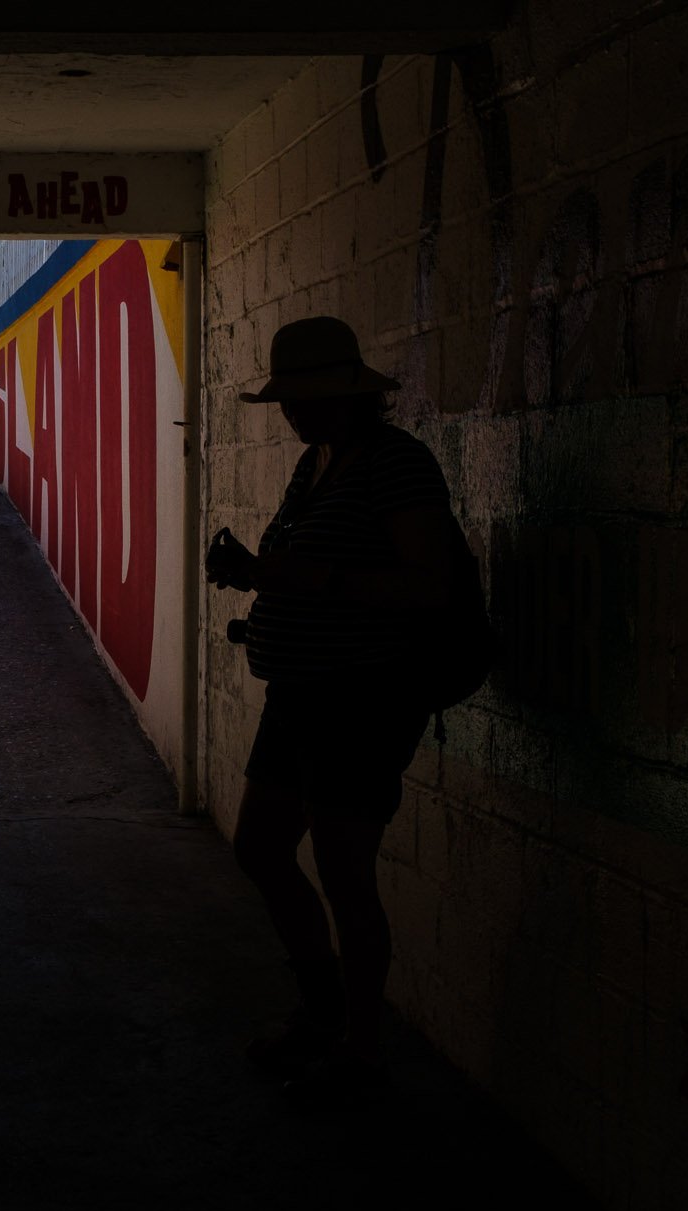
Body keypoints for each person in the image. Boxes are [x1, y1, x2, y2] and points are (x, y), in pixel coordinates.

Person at [202, 316, 453, 1111]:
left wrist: (299, 577)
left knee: (346, 875)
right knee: (262, 848)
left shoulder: (396, 467)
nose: (291, 413)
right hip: (302, 695)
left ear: (346, 395)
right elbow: (299, 567)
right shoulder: (317, 465)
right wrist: (255, 573)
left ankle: (361, 1049)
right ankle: (324, 1016)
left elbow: (429, 584)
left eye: (304, 398)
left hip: (363, 697)